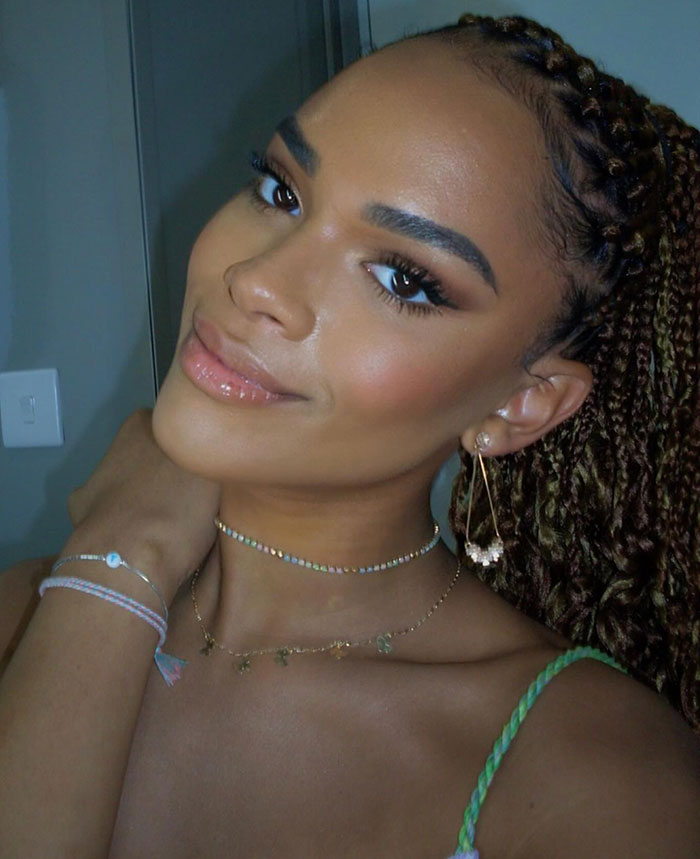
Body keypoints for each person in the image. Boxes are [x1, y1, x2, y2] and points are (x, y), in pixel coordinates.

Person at [1, 11, 699, 857]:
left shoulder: (594, 778)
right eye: (280, 190)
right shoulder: (21, 617)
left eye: (404, 277)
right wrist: (116, 567)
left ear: (523, 403)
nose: (255, 279)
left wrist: (119, 545)